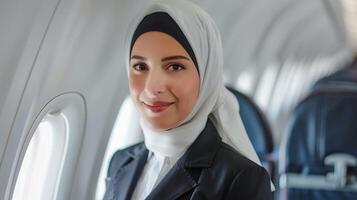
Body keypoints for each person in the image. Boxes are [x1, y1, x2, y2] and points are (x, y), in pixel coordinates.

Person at [104, 0, 274, 199]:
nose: (152, 88)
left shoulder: (241, 178)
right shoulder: (120, 162)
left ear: (206, 76)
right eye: (140, 67)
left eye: (175, 66)